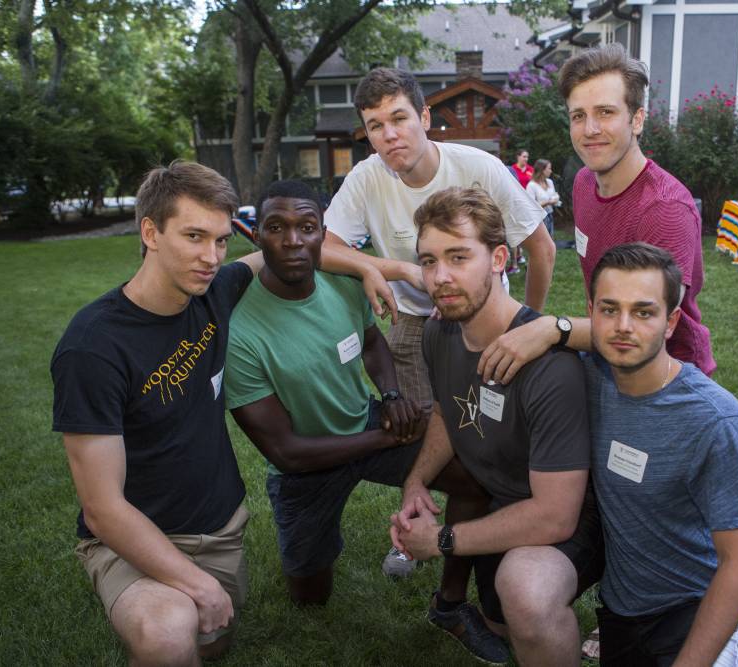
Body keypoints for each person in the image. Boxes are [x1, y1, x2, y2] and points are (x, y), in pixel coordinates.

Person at [221, 182, 499, 656]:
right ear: (256, 237)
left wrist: (390, 395)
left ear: (322, 234)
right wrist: (385, 439)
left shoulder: (344, 280)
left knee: (475, 478)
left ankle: (450, 602)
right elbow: (287, 452)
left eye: (306, 228)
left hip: (367, 421)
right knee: (310, 596)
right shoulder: (238, 330)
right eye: (276, 228)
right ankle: (318, 552)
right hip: (306, 464)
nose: (292, 241)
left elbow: (371, 342)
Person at [321, 67, 555, 576]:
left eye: (400, 118)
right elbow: (324, 248)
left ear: (425, 117)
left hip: (486, 322)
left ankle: (510, 523)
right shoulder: (367, 178)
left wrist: (526, 324)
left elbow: (541, 246)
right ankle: (420, 530)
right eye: (375, 124)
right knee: (429, 437)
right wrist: (388, 268)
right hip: (412, 322)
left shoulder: (478, 168)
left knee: (494, 431)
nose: (390, 134)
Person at [51, 162, 264, 666]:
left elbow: (275, 256)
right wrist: (199, 588)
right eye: (193, 236)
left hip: (218, 529)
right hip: (130, 538)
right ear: (150, 232)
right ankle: (146, 594)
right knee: (170, 634)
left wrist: (371, 268)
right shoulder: (93, 348)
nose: (211, 257)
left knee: (211, 645)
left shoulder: (214, 293)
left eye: (220, 240)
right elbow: (102, 508)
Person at [391, 186, 603, 667]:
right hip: (503, 503)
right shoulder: (437, 331)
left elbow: (556, 517)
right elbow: (449, 408)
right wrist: (416, 480)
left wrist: (442, 539)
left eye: (458, 256)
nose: (440, 277)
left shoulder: (550, 367)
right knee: (502, 623)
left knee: (525, 596)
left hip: (574, 515)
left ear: (499, 259)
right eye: (428, 261)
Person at [476, 43, 714, 389]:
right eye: (578, 115)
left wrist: (553, 328)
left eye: (605, 112)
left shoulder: (664, 209)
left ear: (637, 119)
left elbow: (646, 325)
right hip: (607, 365)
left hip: (666, 381)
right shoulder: (585, 183)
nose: (590, 129)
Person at [584, 242, 738, 666]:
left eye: (643, 312)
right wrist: (546, 328)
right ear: (590, 311)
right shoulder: (585, 377)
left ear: (671, 321)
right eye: (609, 309)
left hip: (699, 602)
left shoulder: (716, 421)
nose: (623, 326)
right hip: (622, 607)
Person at [526, 158, 561, 237]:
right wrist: (548, 202)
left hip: (549, 215)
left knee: (550, 241)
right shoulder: (531, 185)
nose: (551, 171)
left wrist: (556, 198)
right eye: (549, 168)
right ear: (542, 170)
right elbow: (530, 207)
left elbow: (554, 195)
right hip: (539, 220)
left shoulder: (549, 182)